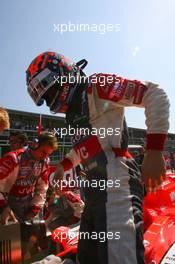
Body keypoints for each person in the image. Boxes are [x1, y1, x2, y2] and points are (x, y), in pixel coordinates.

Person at [26, 51, 169, 264]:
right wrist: (61, 167)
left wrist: (155, 151)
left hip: (118, 186)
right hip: (93, 193)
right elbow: (83, 149)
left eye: (49, 91)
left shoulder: (97, 85)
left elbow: (154, 93)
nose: (49, 102)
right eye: (44, 97)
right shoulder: (73, 114)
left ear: (64, 73)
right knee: (87, 259)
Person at [0, 131, 58, 224]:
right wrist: (3, 208)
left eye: (48, 154)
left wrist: (34, 209)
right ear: (35, 145)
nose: (45, 156)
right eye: (43, 152)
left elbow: (42, 188)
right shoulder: (13, 158)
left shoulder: (45, 161)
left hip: (27, 208)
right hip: (7, 208)